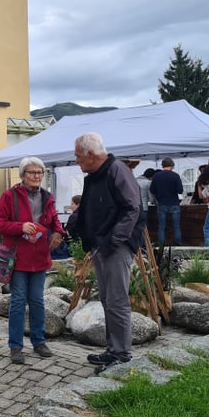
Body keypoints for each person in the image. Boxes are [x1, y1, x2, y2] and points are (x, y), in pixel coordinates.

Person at [73, 132, 144, 373]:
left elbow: (132, 207)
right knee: (107, 300)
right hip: (101, 246)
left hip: (115, 247)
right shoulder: (95, 175)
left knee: (116, 301)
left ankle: (122, 355)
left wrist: (115, 240)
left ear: (91, 155)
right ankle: (113, 350)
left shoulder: (117, 170)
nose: (77, 161)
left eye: (78, 156)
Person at [0, 157, 66, 364]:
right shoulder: (10, 196)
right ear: (23, 175)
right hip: (17, 258)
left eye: (39, 172)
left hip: (40, 257)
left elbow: (54, 220)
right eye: (32, 172)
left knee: (37, 300)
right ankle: (15, 347)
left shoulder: (47, 197)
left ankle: (39, 341)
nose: (36, 176)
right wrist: (20, 227)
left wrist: (59, 233)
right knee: (17, 301)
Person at [149, 157, 183, 246]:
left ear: (163, 165)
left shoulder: (156, 176)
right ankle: (178, 243)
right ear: (172, 165)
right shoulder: (175, 176)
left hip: (162, 203)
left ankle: (161, 243)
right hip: (174, 203)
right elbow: (180, 190)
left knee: (161, 226)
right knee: (176, 226)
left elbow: (152, 190)